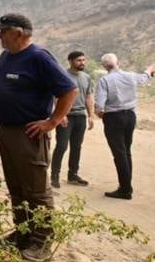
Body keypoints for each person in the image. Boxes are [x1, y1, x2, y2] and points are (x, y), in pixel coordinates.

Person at [0, 13, 77, 262]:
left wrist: (52, 121)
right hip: (6, 131)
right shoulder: (6, 56)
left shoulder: (39, 57)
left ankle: (42, 241)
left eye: (3, 31)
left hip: (28, 134)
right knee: (16, 187)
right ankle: (23, 234)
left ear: (18, 33)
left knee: (36, 190)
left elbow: (69, 90)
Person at [94, 54, 155, 200]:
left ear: (104, 66)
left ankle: (125, 189)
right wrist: (150, 69)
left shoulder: (104, 80)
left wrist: (99, 113)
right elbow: (144, 77)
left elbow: (100, 105)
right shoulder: (130, 76)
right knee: (126, 151)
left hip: (113, 118)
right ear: (118, 63)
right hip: (130, 116)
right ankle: (126, 186)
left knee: (119, 153)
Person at [50, 51, 95, 188]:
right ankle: (55, 176)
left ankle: (73, 175)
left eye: (83, 60)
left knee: (76, 146)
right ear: (70, 61)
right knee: (62, 146)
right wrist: (61, 114)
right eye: (78, 60)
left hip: (80, 116)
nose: (82, 63)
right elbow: (55, 96)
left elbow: (88, 97)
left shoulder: (86, 77)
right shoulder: (62, 75)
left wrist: (91, 116)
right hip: (66, 116)